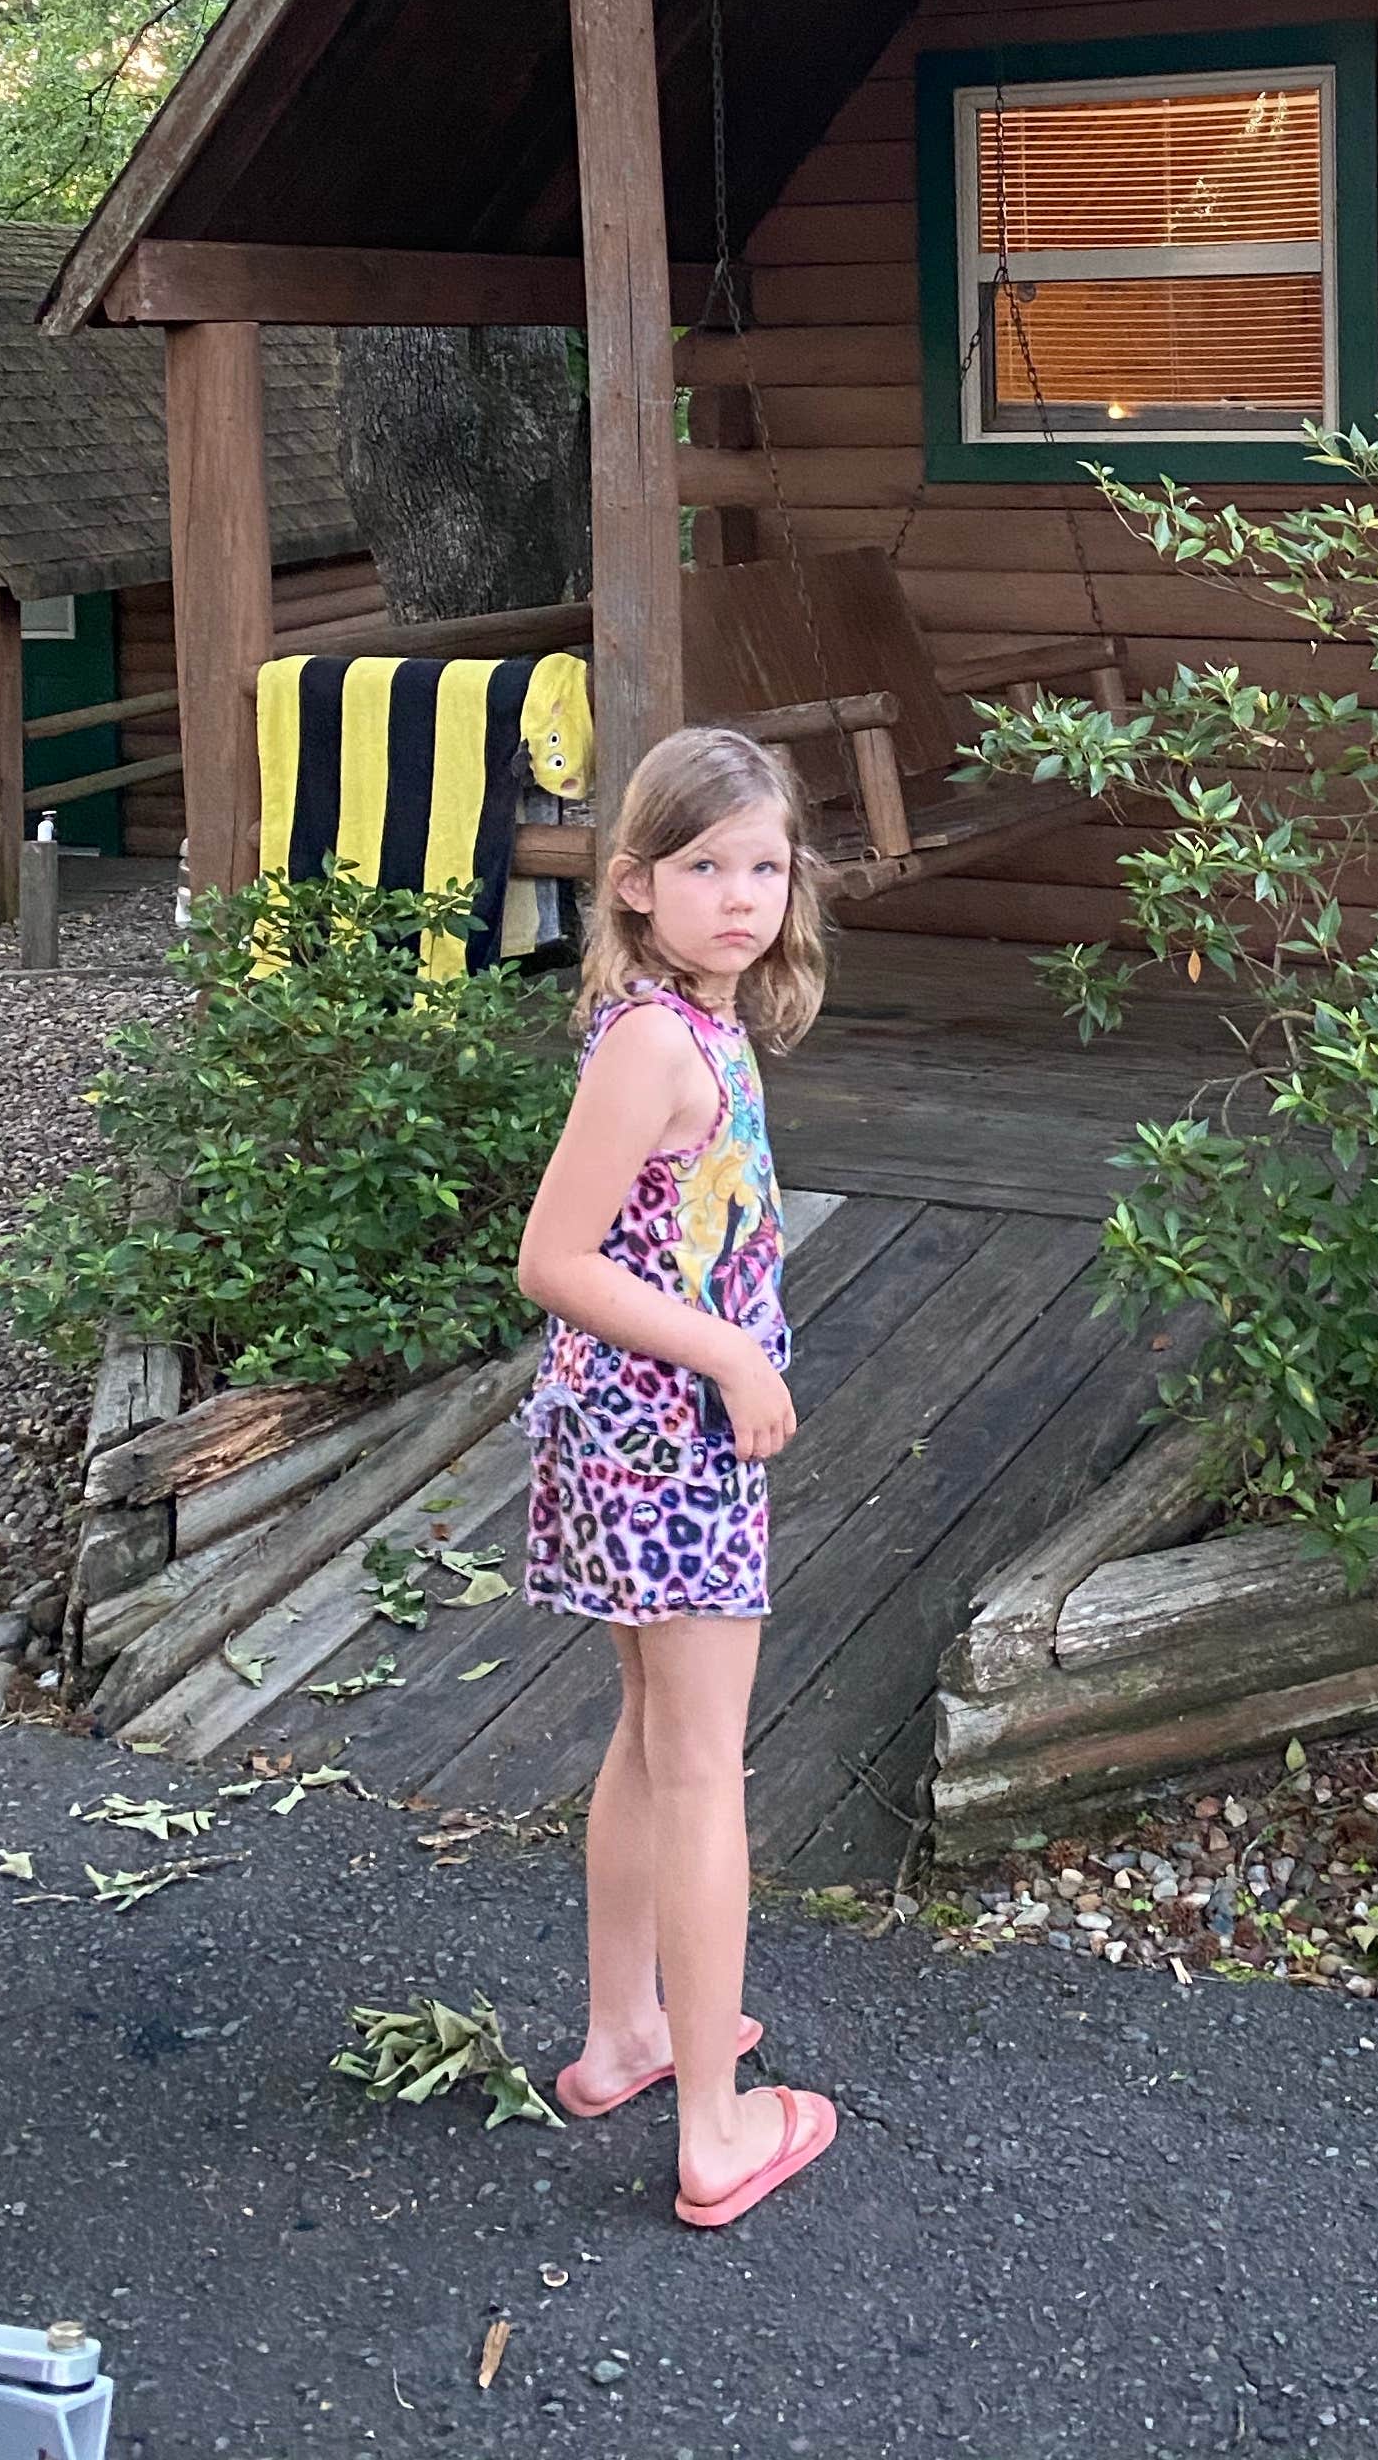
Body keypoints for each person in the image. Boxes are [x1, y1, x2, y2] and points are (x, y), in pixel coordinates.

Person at [513, 723, 839, 2232]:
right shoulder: (655, 1041)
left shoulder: (706, 1026)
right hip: (665, 1446)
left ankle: (629, 2034)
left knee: (654, 1732)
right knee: (708, 1766)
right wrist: (728, 1355)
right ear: (635, 883)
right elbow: (553, 1259)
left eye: (764, 865)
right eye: (705, 866)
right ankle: (714, 2128)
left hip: (643, 1438)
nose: (740, 895)